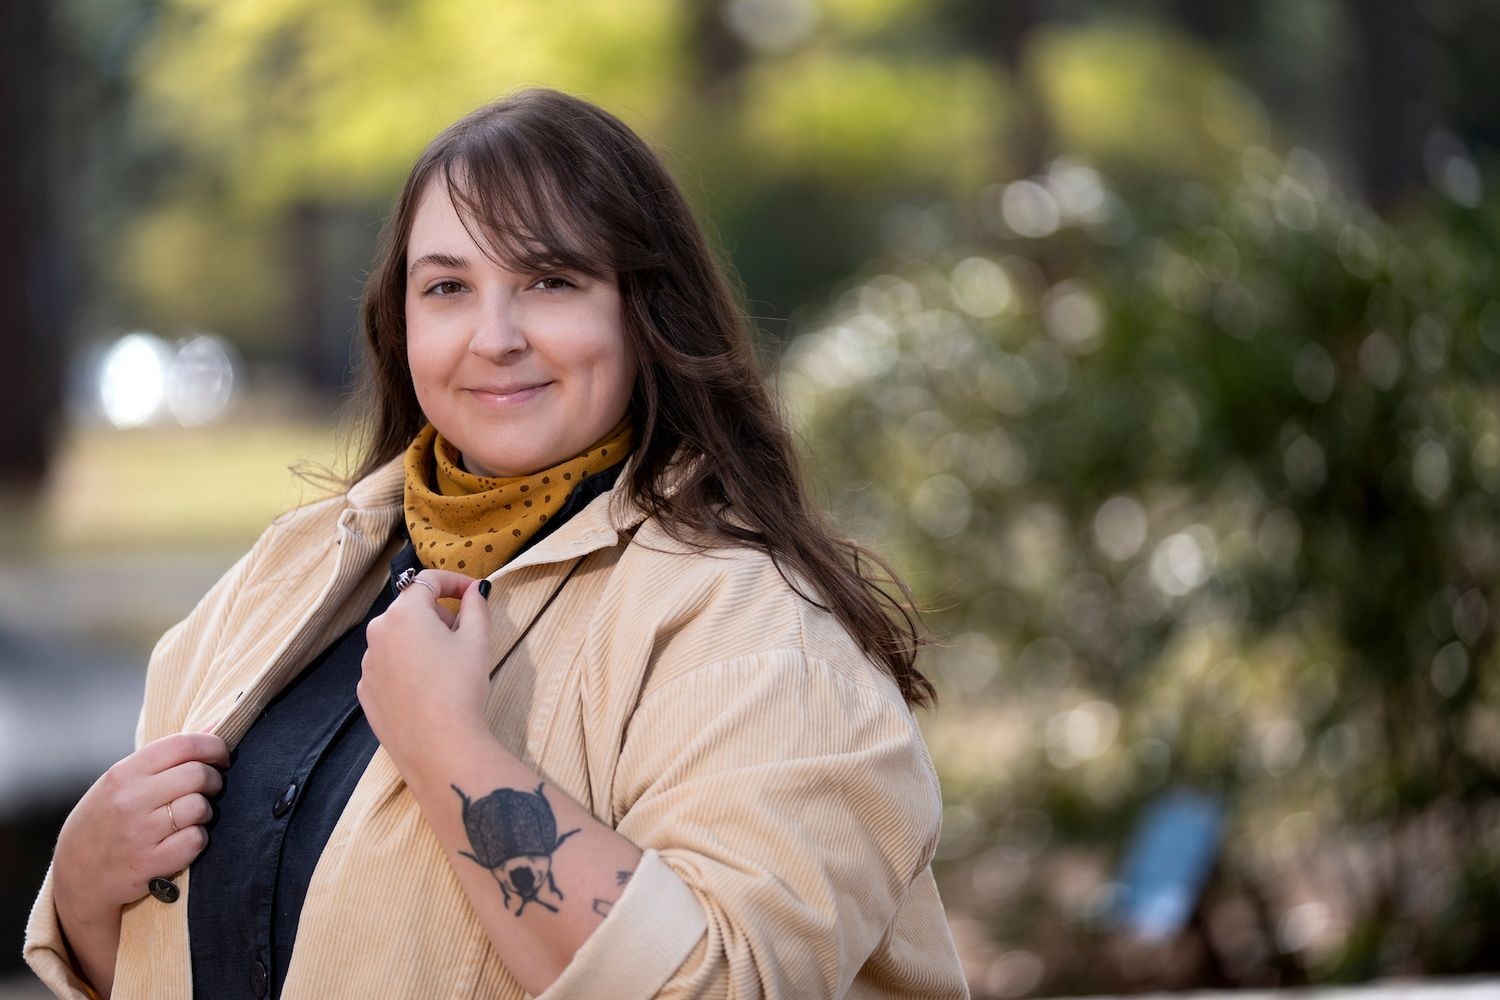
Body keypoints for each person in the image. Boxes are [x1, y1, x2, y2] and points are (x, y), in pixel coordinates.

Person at [25, 87, 968, 999]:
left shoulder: (756, 630)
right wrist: (83, 890)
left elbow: (722, 982)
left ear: (645, 310)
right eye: (447, 287)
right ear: (401, 320)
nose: (494, 336)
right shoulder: (285, 575)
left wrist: (446, 744)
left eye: (550, 281)